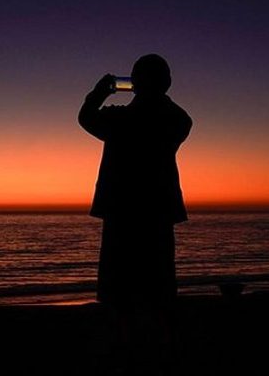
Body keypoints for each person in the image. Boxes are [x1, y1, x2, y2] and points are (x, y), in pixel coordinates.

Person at [78, 54, 192, 370]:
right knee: (159, 283)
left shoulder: (120, 120)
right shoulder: (175, 120)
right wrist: (154, 92)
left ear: (136, 83)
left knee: (120, 287)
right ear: (166, 83)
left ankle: (128, 348)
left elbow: (86, 117)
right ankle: (162, 347)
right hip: (156, 212)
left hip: (122, 212)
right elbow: (181, 120)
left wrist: (100, 92)